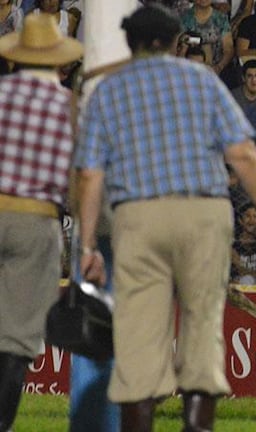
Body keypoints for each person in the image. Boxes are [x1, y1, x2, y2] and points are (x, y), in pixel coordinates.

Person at [73, 5, 256, 430]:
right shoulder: (203, 80)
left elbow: (90, 175)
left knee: (139, 334)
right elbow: (241, 152)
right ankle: (196, 425)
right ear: (175, 42)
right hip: (203, 214)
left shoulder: (110, 89)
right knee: (202, 322)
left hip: (139, 218)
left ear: (130, 43)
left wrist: (88, 244)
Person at [0, 13, 82, 432]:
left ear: (16, 59)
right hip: (37, 221)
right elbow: (77, 177)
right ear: (57, 62)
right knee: (16, 338)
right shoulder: (66, 106)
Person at [180, 0, 235, 78]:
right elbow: (181, 43)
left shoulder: (221, 18)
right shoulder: (184, 18)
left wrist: (218, 67)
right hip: (190, 69)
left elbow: (228, 49)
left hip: (218, 70)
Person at [231, 203, 256, 284]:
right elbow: (241, 270)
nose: (251, 220)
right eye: (247, 216)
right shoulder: (234, 242)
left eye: (255, 216)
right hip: (238, 281)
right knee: (247, 279)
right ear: (240, 220)